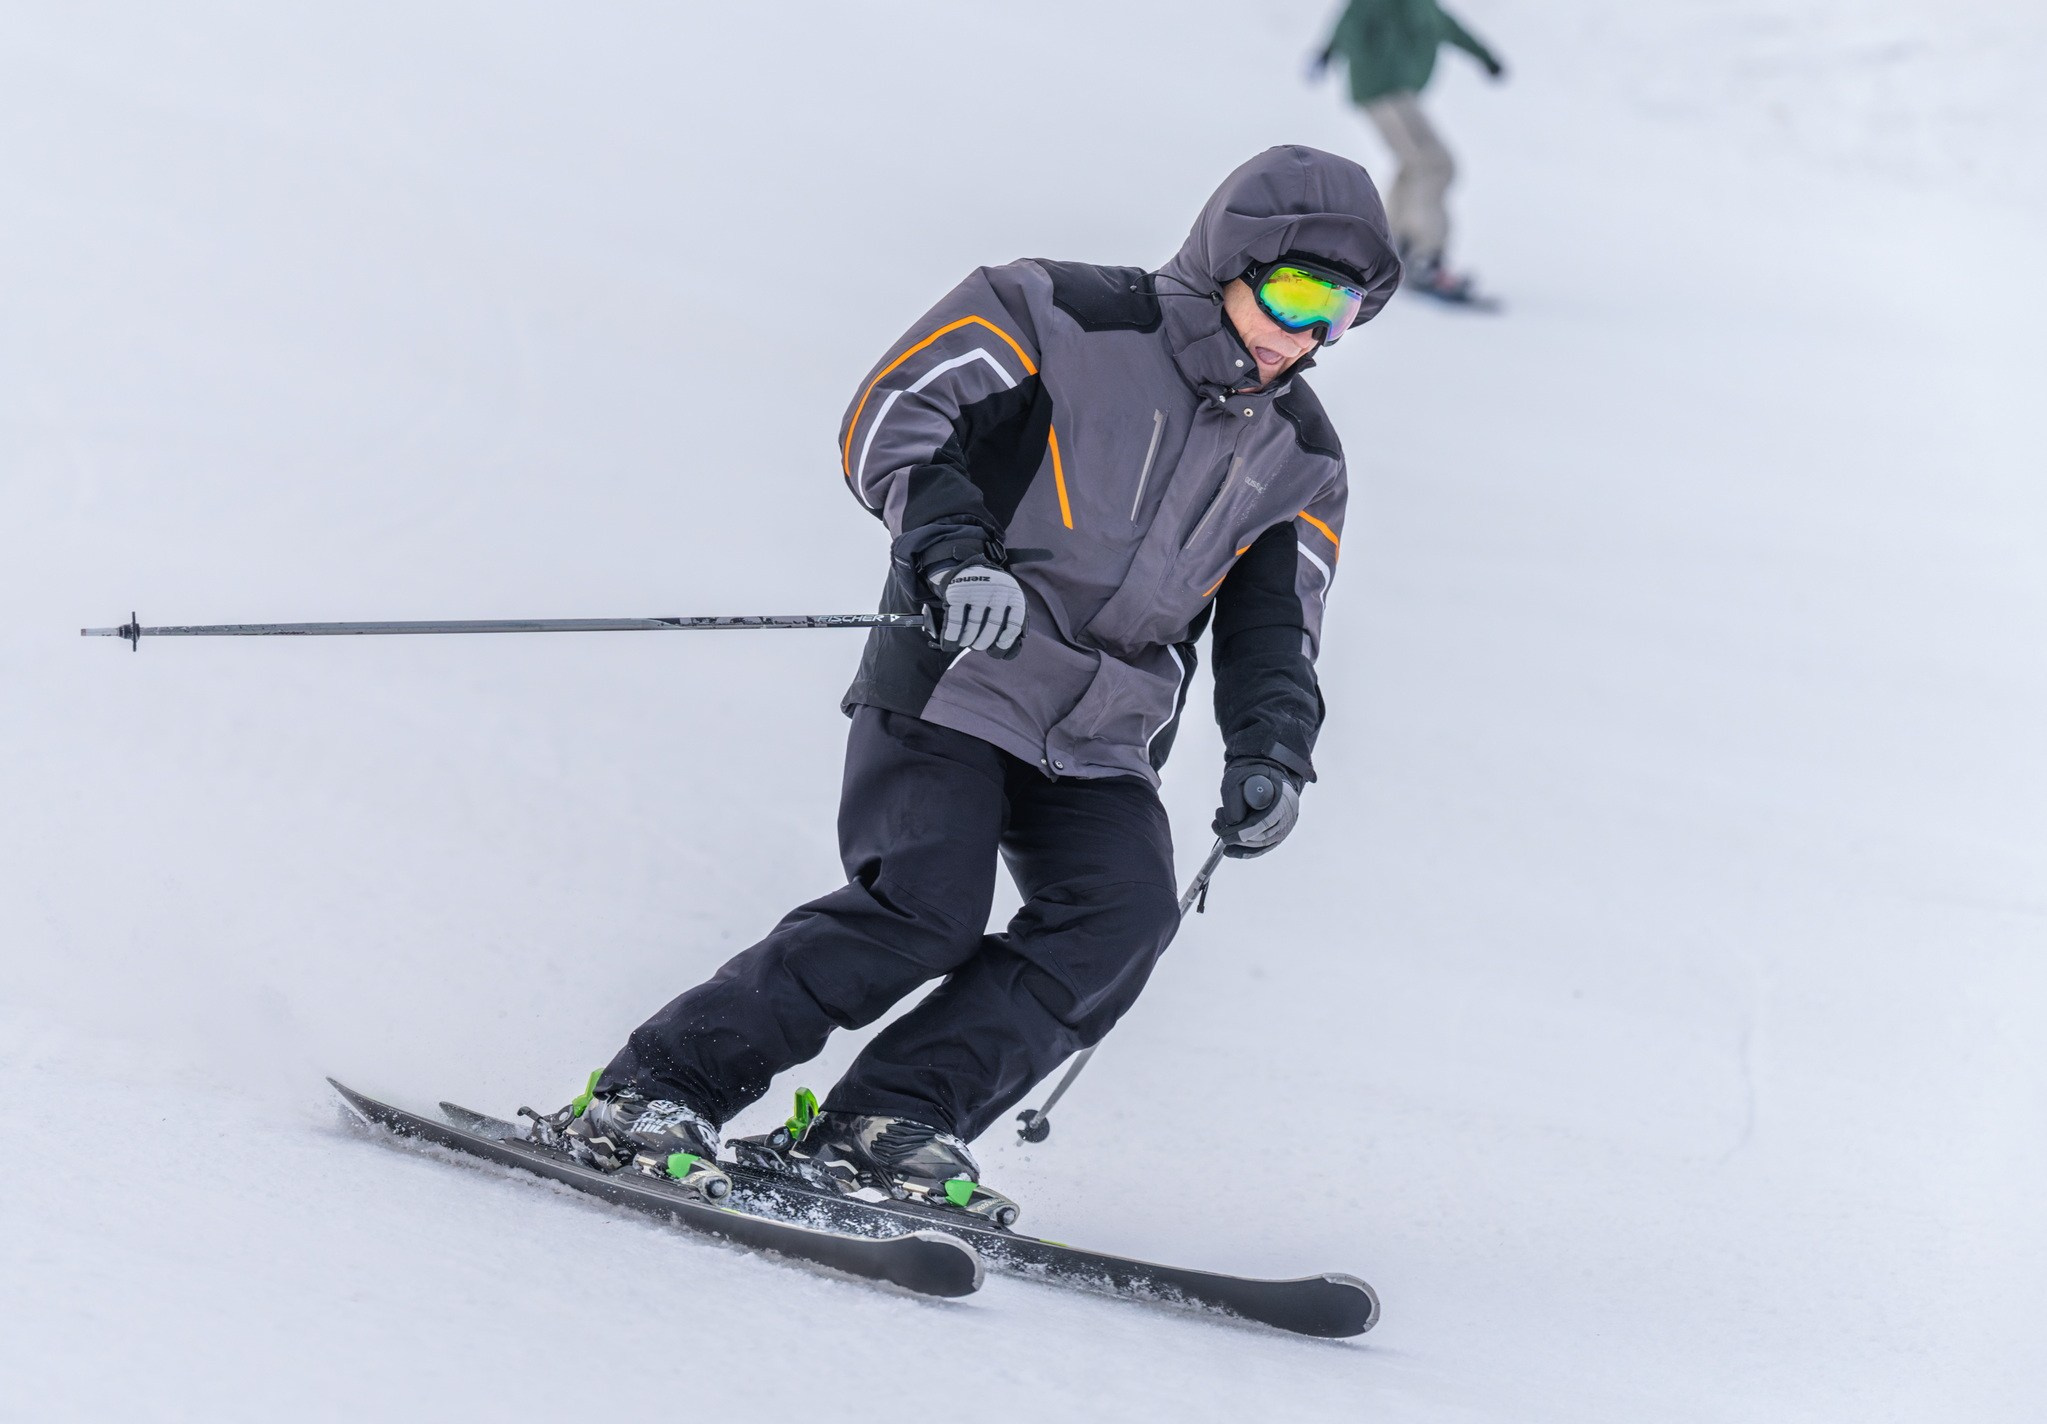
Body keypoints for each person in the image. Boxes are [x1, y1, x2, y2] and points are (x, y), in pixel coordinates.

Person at [521, 146, 1401, 1223]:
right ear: (1233, 258)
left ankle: (889, 1122)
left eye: (1340, 313)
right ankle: (654, 1091)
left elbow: (1276, 626)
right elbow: (892, 417)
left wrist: (1272, 749)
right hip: (960, 672)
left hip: (1101, 734)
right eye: (1299, 294)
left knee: (1119, 920)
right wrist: (953, 559)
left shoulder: (1303, 454)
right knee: (922, 908)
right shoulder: (1055, 312)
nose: (1308, 334)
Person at [1315, 0, 1505, 305]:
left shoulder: (1424, 6)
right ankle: (1425, 256)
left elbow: (1451, 29)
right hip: (1381, 87)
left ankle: (1395, 244)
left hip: (1397, 90)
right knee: (1435, 164)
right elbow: (1351, 23)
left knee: (1416, 164)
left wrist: (1486, 58)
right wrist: (1330, 52)